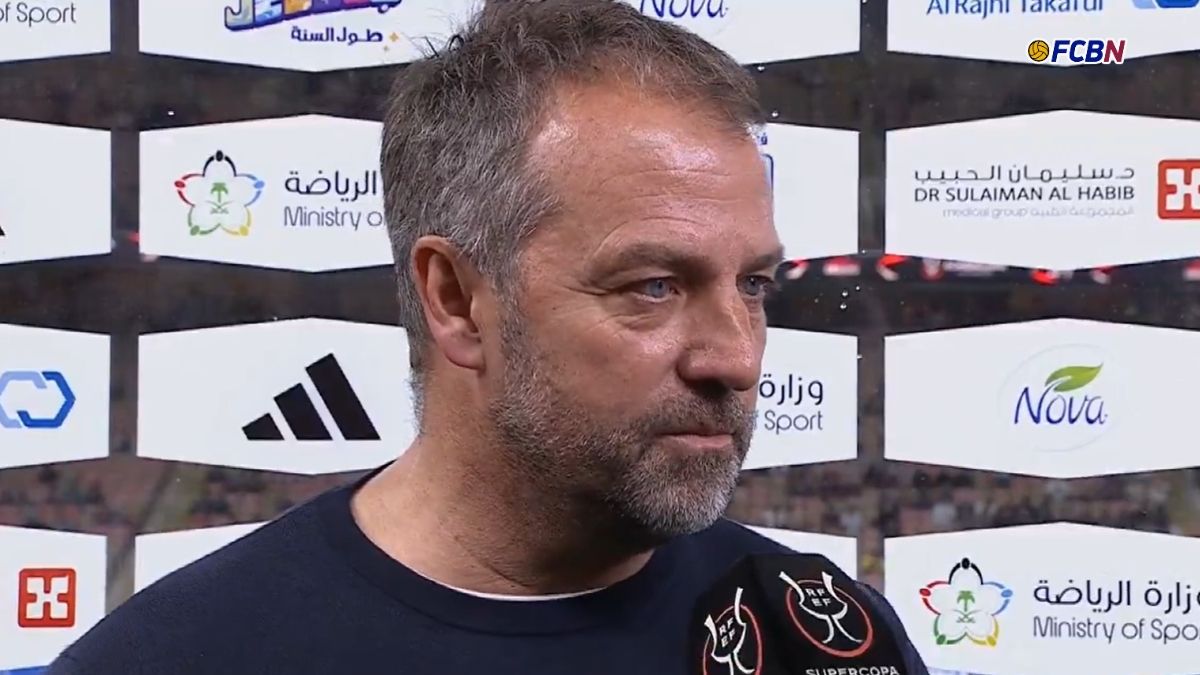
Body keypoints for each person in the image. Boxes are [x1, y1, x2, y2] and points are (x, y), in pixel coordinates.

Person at [49, 1, 927, 673]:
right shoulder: (173, 657)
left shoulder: (829, 639)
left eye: (754, 285)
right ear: (458, 299)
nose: (734, 356)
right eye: (653, 287)